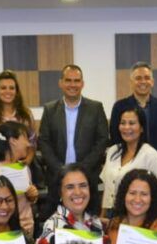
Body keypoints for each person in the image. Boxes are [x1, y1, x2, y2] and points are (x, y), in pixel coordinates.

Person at [37, 64, 109, 212]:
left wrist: (82, 169)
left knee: (88, 225)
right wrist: (60, 169)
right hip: (57, 178)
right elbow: (44, 141)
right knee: (57, 226)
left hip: (88, 178)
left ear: (82, 83)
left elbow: (102, 140)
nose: (73, 85)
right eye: (68, 80)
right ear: (61, 83)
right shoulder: (50, 109)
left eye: (77, 81)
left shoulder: (96, 108)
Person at [100, 104, 157, 215]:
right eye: (123, 123)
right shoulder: (113, 151)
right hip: (110, 215)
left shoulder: (151, 155)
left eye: (132, 123)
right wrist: (102, 215)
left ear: (142, 128)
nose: (126, 127)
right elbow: (107, 188)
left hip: (137, 215)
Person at [109, 61, 157, 167]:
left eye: (147, 78)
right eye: (138, 78)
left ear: (152, 82)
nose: (143, 81)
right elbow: (115, 138)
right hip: (128, 166)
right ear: (131, 82)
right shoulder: (120, 106)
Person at [0, 120, 40, 237]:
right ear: (13, 141)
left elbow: (28, 199)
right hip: (8, 233)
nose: (28, 144)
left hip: (27, 227)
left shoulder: (22, 167)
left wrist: (32, 195)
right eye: (25, 138)